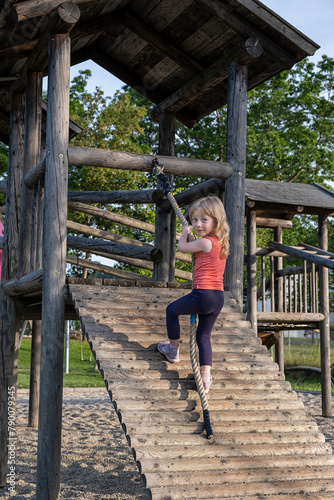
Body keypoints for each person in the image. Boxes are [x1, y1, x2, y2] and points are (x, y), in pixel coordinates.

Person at [157, 196, 229, 394]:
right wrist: (193, 238)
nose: (197, 224)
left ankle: (173, 351)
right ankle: (206, 379)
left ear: (216, 220)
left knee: (171, 311)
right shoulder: (220, 242)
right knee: (203, 337)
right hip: (218, 298)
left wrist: (183, 233)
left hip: (203, 294)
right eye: (194, 220)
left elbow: (181, 247)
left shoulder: (205, 243)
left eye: (204, 220)